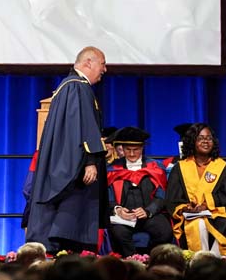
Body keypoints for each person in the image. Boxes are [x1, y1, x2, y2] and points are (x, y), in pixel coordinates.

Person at [24, 46, 108, 253]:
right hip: (76, 163)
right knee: (71, 212)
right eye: (102, 64)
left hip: (64, 158)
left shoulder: (66, 86)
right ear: (88, 63)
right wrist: (90, 161)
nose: (105, 70)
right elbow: (83, 126)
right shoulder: (78, 87)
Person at [165, 123, 226, 256]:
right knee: (197, 223)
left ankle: (213, 261)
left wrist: (207, 205)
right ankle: (201, 261)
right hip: (191, 216)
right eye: (200, 138)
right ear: (192, 141)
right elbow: (172, 199)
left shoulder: (224, 168)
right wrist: (186, 208)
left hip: (219, 213)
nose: (205, 141)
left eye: (209, 138)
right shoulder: (180, 168)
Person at [104, 126, 173, 257]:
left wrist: (148, 211)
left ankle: (150, 258)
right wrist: (117, 209)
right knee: (118, 234)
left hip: (149, 213)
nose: (131, 154)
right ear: (122, 149)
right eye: (128, 149)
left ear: (142, 148)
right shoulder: (112, 169)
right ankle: (132, 261)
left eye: (135, 149)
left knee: (164, 232)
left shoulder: (155, 167)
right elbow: (108, 196)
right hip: (124, 216)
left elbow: (162, 194)